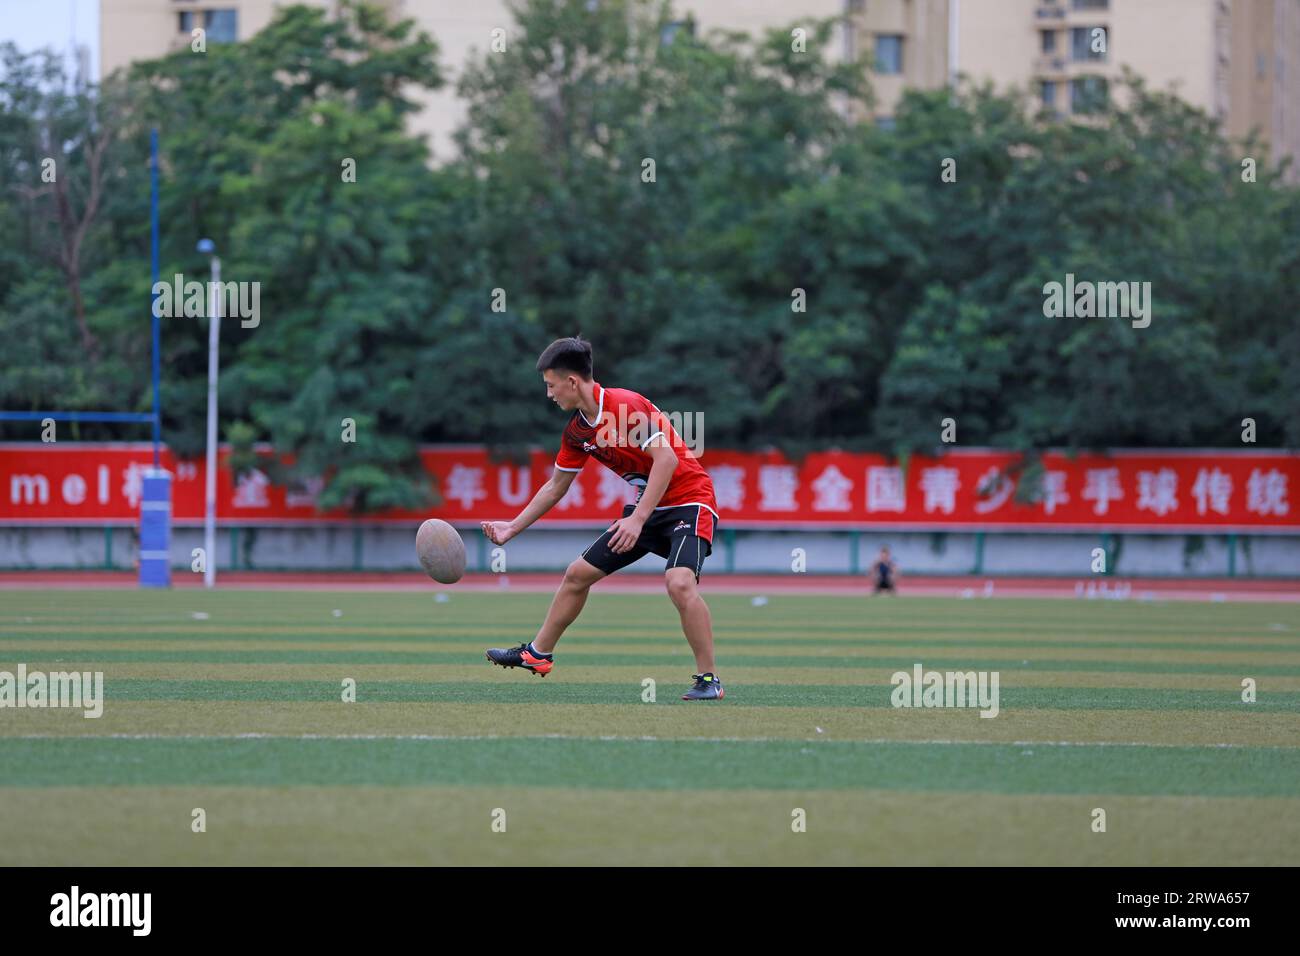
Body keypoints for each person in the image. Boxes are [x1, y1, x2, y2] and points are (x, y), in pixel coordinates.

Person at [480, 336, 724, 700]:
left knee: (679, 583)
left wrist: (637, 519)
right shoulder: (577, 432)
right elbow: (555, 488)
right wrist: (512, 527)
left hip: (691, 501)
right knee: (577, 574)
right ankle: (538, 653)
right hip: (648, 508)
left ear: (572, 382)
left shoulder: (625, 406)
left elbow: (667, 460)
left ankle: (709, 681)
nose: (549, 395)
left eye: (551, 385)